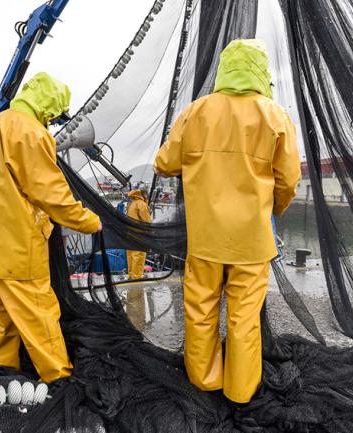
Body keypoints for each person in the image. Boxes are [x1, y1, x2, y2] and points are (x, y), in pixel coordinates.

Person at [154, 39, 301, 404]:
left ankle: (205, 382)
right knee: (244, 318)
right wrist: (273, 210)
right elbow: (289, 181)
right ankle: (240, 391)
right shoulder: (276, 116)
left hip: (205, 238)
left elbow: (164, 163)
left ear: (225, 68)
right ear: (261, 70)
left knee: (200, 310)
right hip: (251, 240)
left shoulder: (195, 112)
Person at [0, 72, 102, 383]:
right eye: (54, 115)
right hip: (16, 245)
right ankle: (58, 378)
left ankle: (3, 373)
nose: (53, 122)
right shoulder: (30, 132)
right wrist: (89, 221)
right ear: (49, 106)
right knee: (38, 313)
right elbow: (50, 193)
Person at [126, 187, 152, 279]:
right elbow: (147, 221)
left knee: (131, 255)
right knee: (139, 255)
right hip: (140, 234)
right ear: (144, 195)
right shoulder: (141, 204)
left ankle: (131, 274)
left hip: (130, 233)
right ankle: (137, 276)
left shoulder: (131, 204)